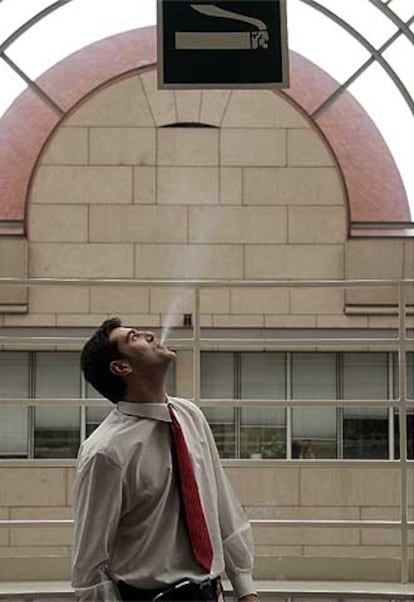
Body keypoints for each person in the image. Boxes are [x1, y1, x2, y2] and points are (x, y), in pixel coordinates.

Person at [72, 317, 258, 602]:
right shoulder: (105, 451)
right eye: (134, 337)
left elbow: (222, 506)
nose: (149, 334)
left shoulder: (189, 415)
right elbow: (89, 563)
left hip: (210, 592)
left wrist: (245, 588)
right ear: (122, 367)